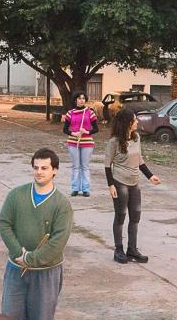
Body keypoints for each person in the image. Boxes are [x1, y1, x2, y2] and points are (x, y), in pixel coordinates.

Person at [0, 148, 74, 320]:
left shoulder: (61, 204)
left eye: (44, 168)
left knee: (41, 318)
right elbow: (4, 224)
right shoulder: (16, 196)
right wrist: (17, 252)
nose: (39, 172)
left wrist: (31, 259)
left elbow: (58, 241)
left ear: (55, 171)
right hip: (16, 269)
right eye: (36, 168)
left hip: (46, 272)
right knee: (10, 315)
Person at [104, 108, 161, 264]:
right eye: (134, 119)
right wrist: (111, 185)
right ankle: (118, 250)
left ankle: (132, 249)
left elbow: (139, 160)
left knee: (135, 216)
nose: (137, 121)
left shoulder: (136, 138)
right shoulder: (114, 142)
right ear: (127, 123)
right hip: (120, 182)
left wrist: (150, 176)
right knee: (120, 215)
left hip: (135, 183)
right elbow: (107, 165)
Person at [62, 91, 99, 197]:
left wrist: (86, 131)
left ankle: (86, 189)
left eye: (83, 98)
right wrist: (74, 133)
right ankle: (75, 188)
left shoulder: (90, 112)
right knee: (75, 166)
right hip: (73, 142)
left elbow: (96, 129)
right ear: (75, 100)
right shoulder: (70, 113)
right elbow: (65, 129)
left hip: (87, 142)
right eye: (79, 98)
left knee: (85, 166)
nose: (81, 100)